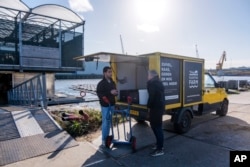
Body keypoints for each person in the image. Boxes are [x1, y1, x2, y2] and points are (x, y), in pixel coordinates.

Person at [96, 66, 118, 147]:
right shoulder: (101, 84)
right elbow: (100, 94)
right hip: (105, 106)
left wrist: (116, 93)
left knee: (110, 122)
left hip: (112, 105)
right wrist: (110, 93)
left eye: (111, 72)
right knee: (105, 122)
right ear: (104, 73)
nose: (111, 73)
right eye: (109, 72)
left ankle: (109, 138)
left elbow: (114, 92)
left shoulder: (112, 82)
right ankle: (104, 140)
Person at [147, 70, 165, 157]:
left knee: (157, 127)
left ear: (151, 76)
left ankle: (160, 149)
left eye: (148, 75)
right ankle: (158, 144)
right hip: (159, 108)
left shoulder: (152, 84)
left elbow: (152, 97)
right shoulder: (158, 82)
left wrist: (148, 106)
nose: (147, 76)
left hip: (155, 108)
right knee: (155, 126)